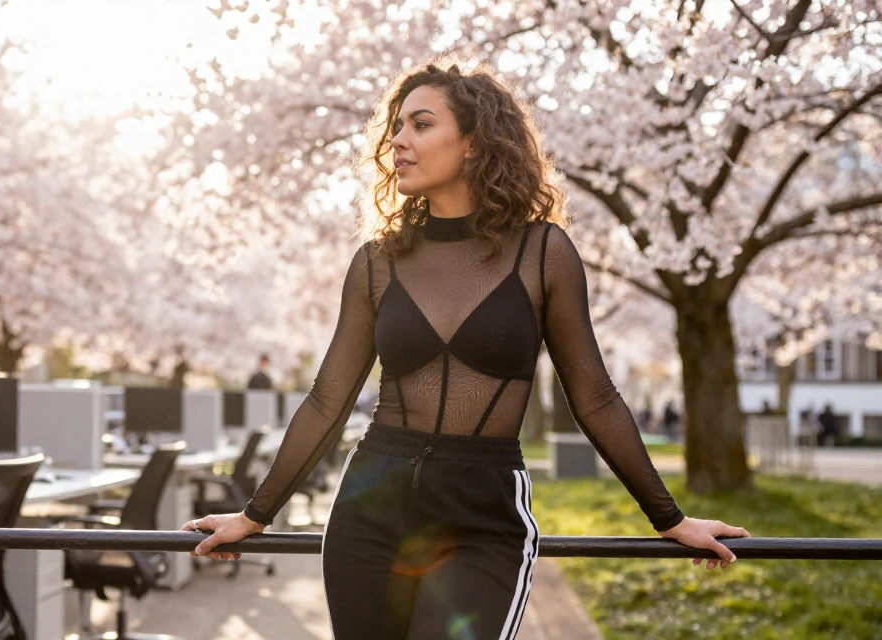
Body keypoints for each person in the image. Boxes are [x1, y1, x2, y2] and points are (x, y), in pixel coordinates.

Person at [182, 59, 748, 640]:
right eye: (396, 127)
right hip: (371, 510)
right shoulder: (377, 262)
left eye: (420, 125)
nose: (397, 140)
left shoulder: (542, 252)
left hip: (484, 517)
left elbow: (595, 397)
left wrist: (670, 518)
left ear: (475, 143)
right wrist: (254, 515)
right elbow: (329, 398)